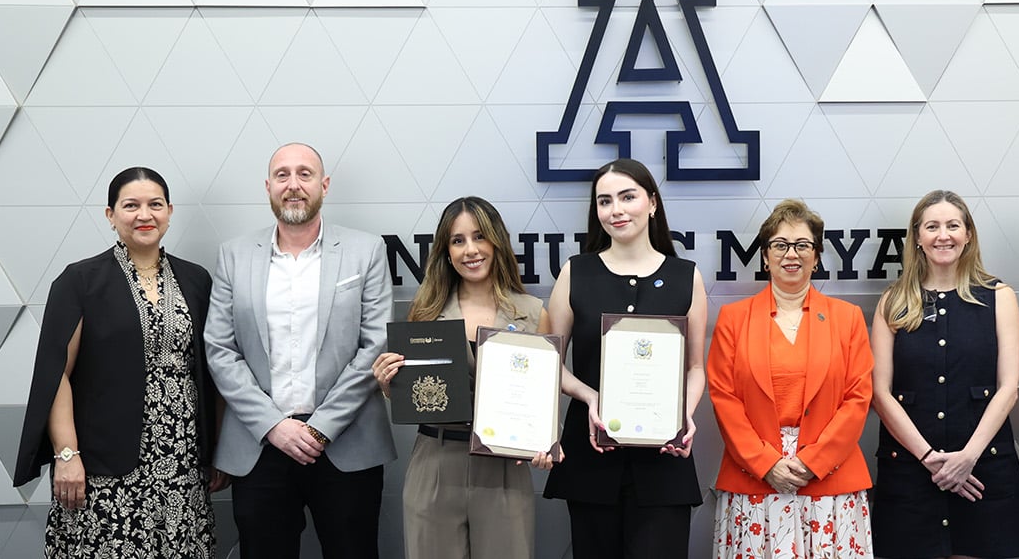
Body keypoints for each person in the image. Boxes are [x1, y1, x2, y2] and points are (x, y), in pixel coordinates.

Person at [14, 167, 222, 557]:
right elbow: (56, 374)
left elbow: (213, 371)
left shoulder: (197, 280)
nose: (144, 215)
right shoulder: (80, 281)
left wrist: (217, 451)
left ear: (170, 211)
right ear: (110, 215)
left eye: (154, 205)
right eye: (131, 205)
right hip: (103, 464)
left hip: (181, 462)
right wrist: (67, 454)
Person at [204, 142, 396, 558]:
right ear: (268, 187)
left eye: (305, 174)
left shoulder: (367, 251)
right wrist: (274, 424)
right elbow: (220, 349)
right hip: (260, 446)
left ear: (324, 185)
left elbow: (374, 344)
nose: (294, 185)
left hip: (345, 443)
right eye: (283, 175)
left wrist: (320, 426)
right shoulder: (233, 255)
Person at [371, 196, 561, 559]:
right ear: (445, 250)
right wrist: (387, 383)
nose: (470, 250)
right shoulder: (425, 313)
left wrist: (546, 442)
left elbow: (543, 397)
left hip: (505, 465)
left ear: (496, 242)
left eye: (479, 237)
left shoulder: (532, 313)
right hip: (436, 460)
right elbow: (417, 392)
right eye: (458, 241)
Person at [542, 158, 709, 558]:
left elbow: (696, 368)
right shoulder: (575, 273)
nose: (615, 210)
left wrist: (683, 415)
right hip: (591, 457)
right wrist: (590, 397)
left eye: (627, 197)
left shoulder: (687, 276)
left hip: (664, 461)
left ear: (652, 203)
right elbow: (548, 359)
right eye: (604, 201)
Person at [869, 190, 1019, 558]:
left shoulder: (998, 296)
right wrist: (930, 457)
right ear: (917, 237)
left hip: (982, 469)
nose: (943, 235)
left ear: (969, 234)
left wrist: (967, 458)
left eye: (952, 225)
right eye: (932, 226)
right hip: (911, 472)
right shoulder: (893, 301)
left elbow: (1008, 388)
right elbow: (880, 393)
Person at [707, 199, 875, 557]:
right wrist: (766, 464)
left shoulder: (848, 318)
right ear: (765, 256)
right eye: (780, 245)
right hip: (754, 479)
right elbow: (724, 397)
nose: (791, 255)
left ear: (817, 256)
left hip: (829, 479)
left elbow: (858, 397)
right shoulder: (733, 319)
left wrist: (811, 462)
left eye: (803, 245)